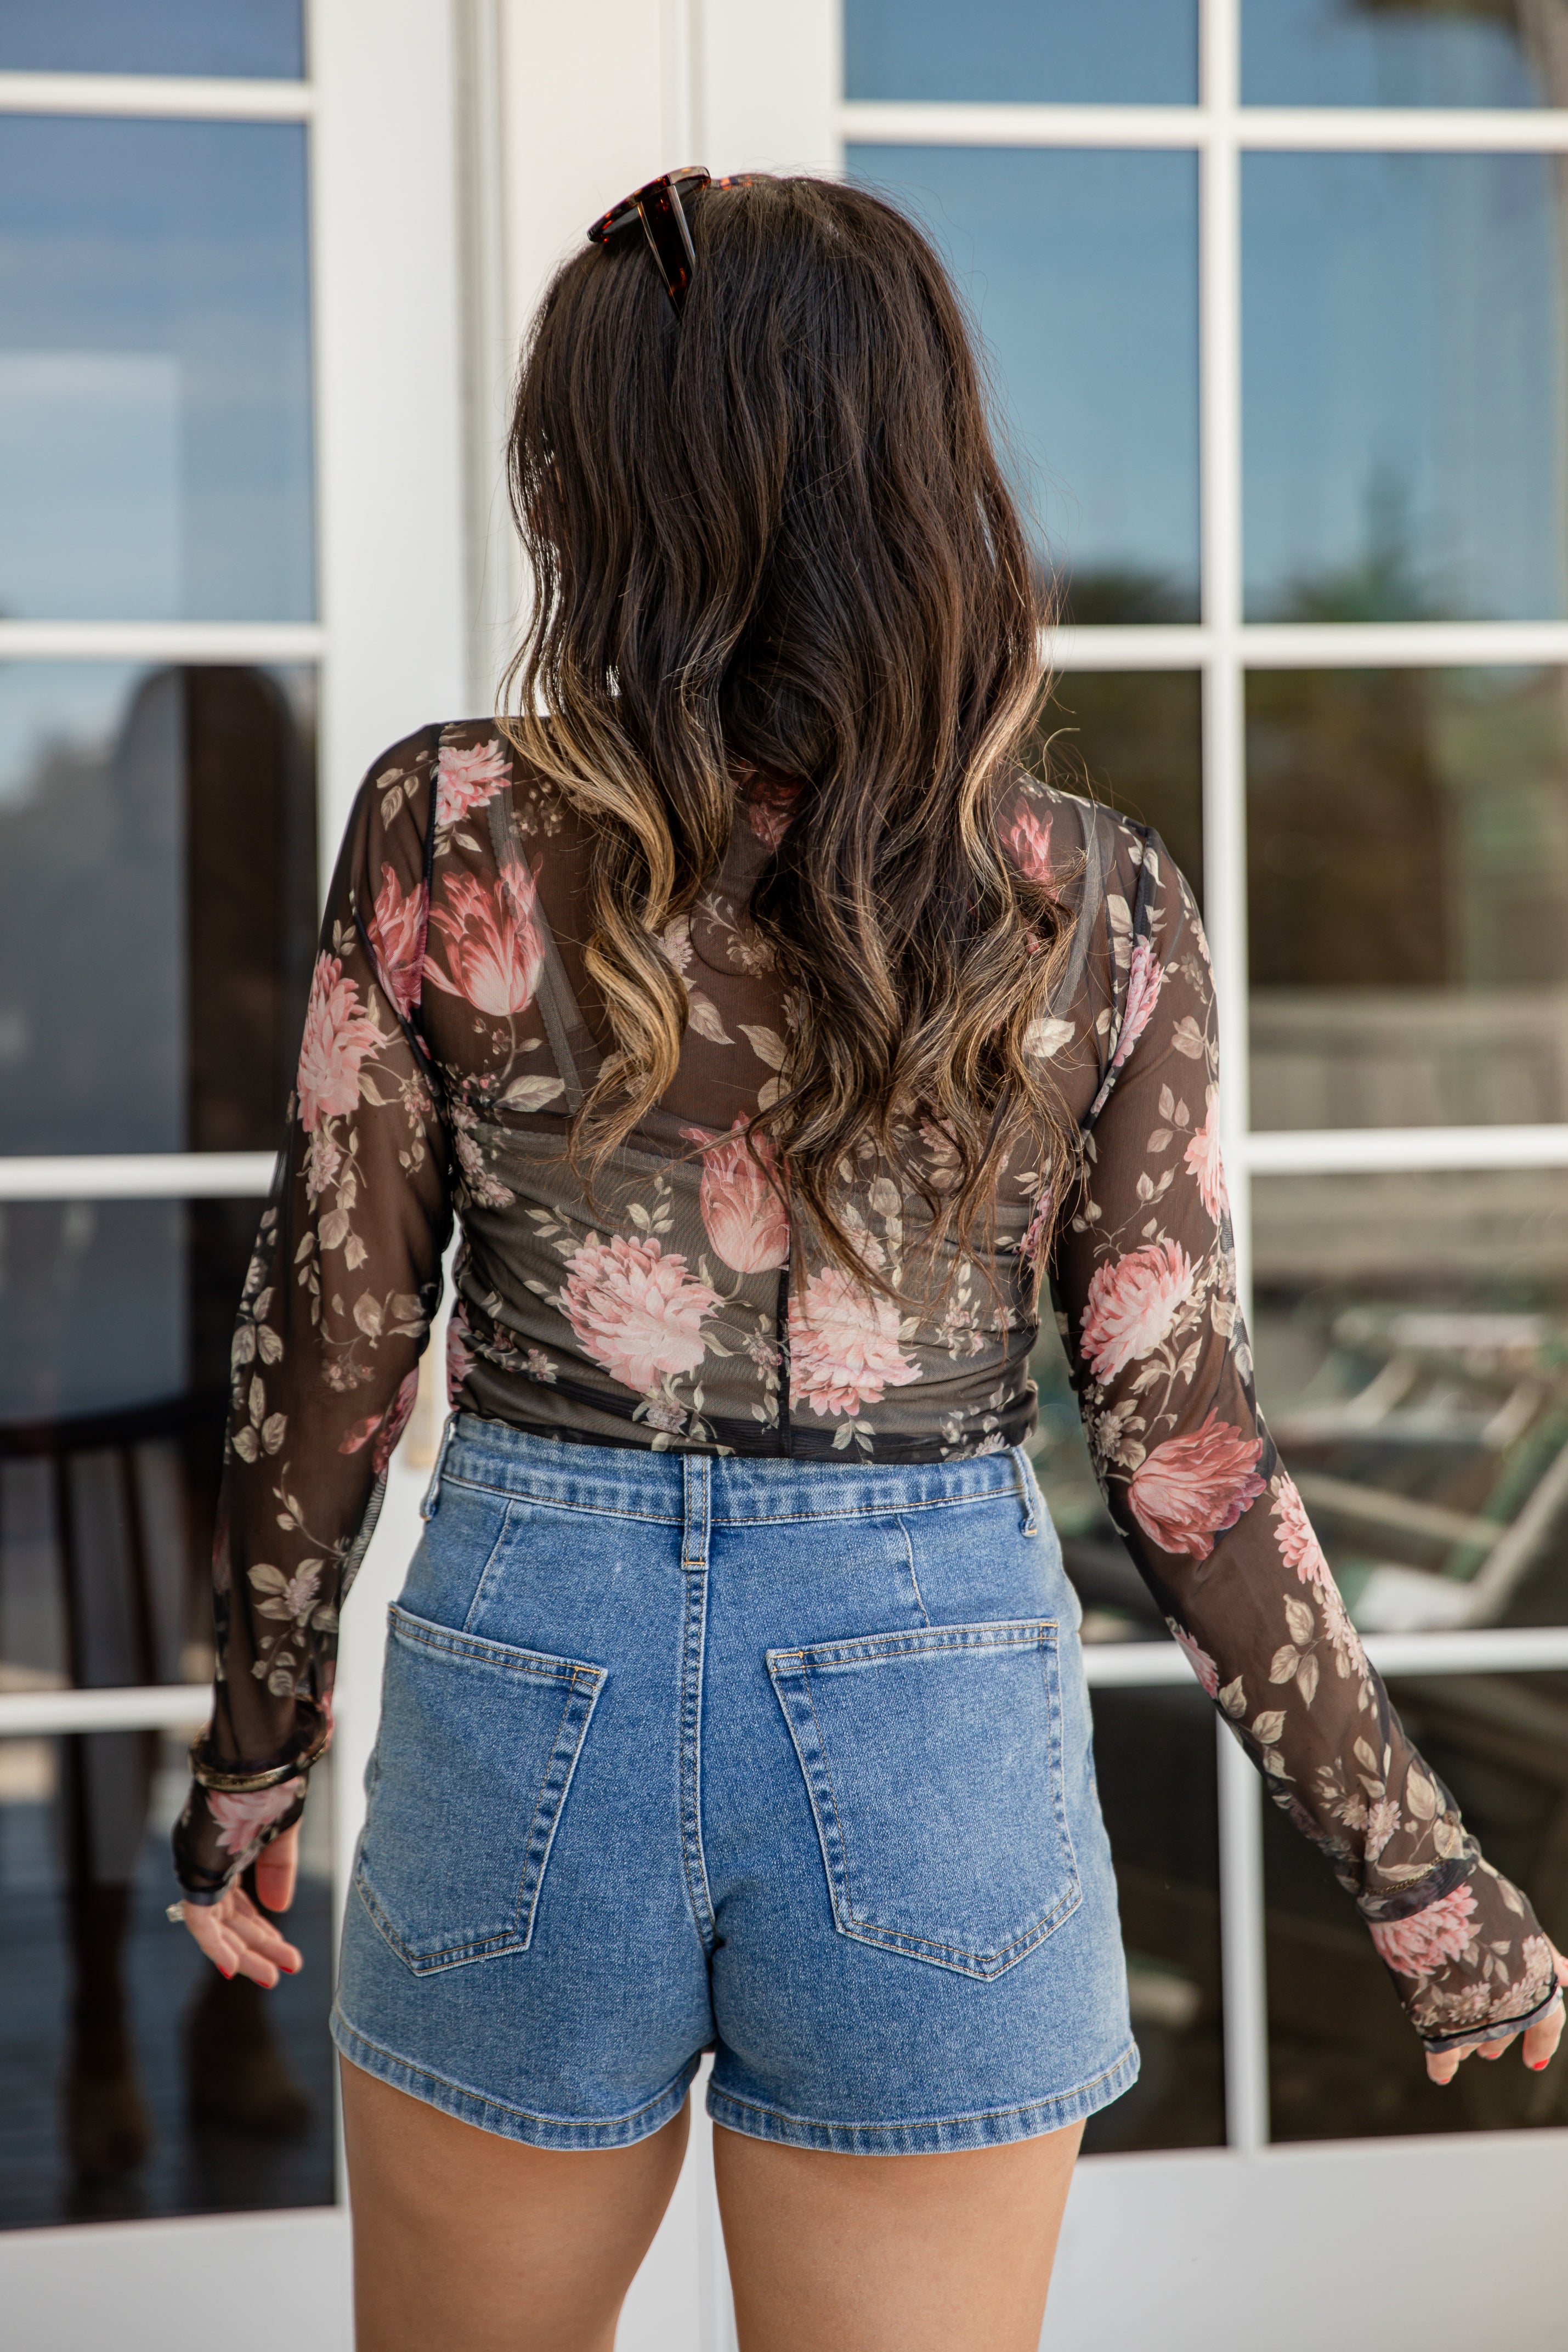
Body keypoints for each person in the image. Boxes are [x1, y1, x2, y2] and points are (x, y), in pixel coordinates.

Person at [167, 171, 1566, 2351]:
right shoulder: (1094, 903)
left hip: (533, 1667)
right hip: (930, 1705)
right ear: (926, 485)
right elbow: (1180, 1445)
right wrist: (1414, 1867)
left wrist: (251, 1754)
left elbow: (330, 1346)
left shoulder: (449, 826)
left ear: (595, 488)